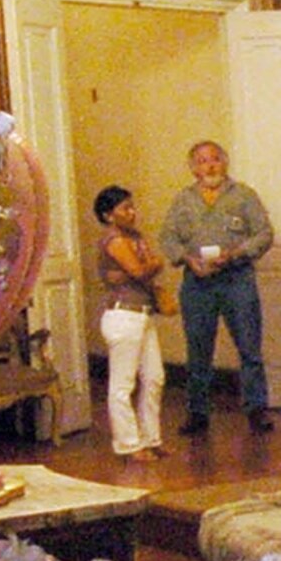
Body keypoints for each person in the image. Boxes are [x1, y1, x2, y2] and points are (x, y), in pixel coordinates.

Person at [160, 139, 274, 432]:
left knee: (249, 347)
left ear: (225, 162)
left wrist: (236, 253)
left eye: (215, 159)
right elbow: (167, 238)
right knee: (198, 350)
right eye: (202, 161)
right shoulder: (183, 200)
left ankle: (256, 410)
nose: (209, 165)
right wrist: (187, 259)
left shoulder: (244, 196)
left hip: (237, 280)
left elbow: (263, 234)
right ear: (192, 168)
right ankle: (197, 413)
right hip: (197, 284)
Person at [92, 183, 167, 457]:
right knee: (123, 384)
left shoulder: (135, 236)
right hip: (123, 315)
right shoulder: (114, 240)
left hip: (143, 313)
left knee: (154, 377)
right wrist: (149, 266)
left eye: (132, 206)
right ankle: (128, 444)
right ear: (109, 215)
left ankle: (151, 438)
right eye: (125, 208)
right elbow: (140, 269)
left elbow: (144, 267)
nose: (132, 212)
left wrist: (145, 267)